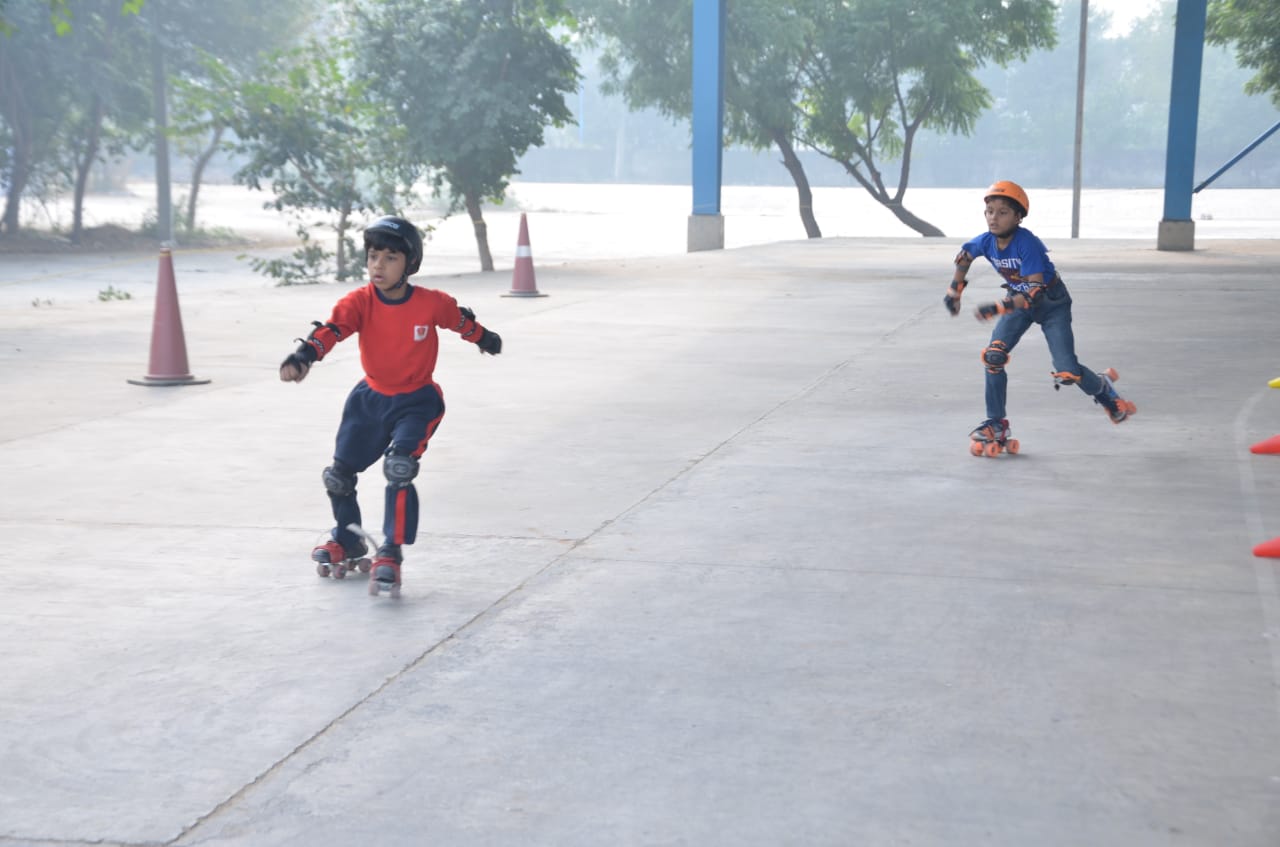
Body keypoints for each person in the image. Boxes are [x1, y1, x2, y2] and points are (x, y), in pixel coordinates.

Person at [279, 215, 502, 595]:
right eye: (372, 256)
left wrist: (485, 338)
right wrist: (304, 358)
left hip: (418, 401)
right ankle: (348, 538)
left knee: (399, 468)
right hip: (369, 400)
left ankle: (391, 552)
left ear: (409, 264)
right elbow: (332, 330)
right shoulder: (359, 302)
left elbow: (460, 321)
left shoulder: (431, 303)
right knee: (338, 477)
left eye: (389, 258)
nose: (378, 266)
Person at [943, 180, 1135, 453]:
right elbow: (964, 257)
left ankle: (1103, 389)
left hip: (1052, 303)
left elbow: (1034, 293)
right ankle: (996, 423)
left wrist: (998, 307)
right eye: (989, 211)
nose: (994, 218)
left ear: (1018, 216)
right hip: (1017, 303)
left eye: (1003, 212)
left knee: (1067, 371)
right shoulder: (986, 242)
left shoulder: (1027, 244)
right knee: (993, 356)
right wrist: (954, 291)